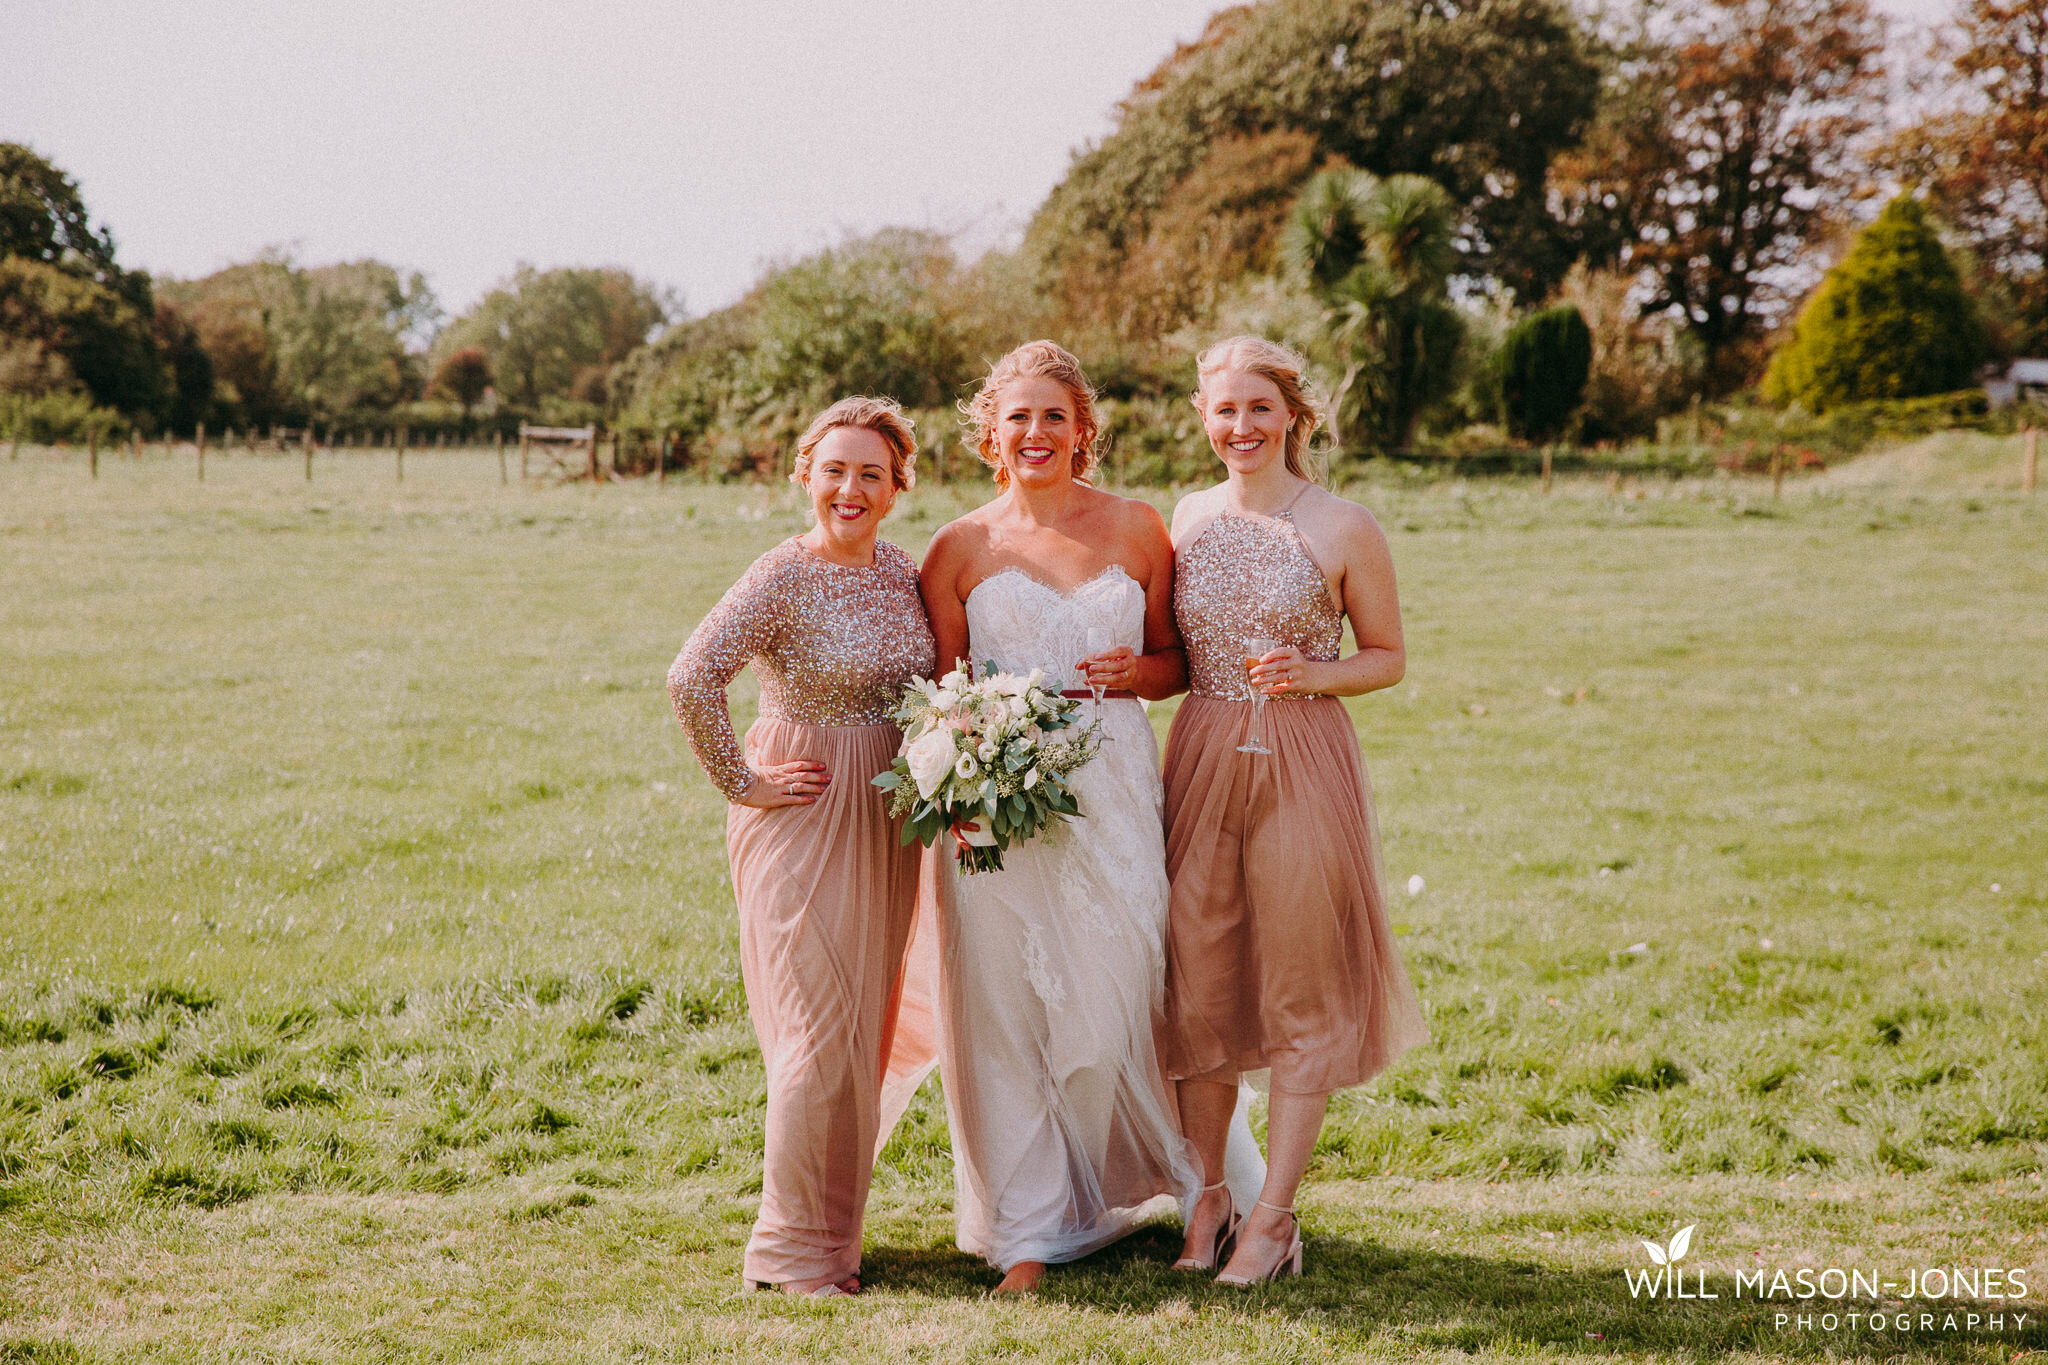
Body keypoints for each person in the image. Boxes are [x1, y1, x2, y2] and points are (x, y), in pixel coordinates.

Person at [912, 340, 1200, 1293]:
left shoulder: (1137, 528)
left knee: (1109, 998)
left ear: (1085, 430)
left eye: (1054, 416)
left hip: (1112, 787)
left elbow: (1174, 662)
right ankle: (1029, 1234)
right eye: (1018, 417)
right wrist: (957, 776)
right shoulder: (958, 547)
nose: (1037, 433)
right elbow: (939, 693)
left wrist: (1138, 675)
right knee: (1002, 1012)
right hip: (996, 810)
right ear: (990, 433)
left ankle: (1113, 1190)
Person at [1162, 336, 1429, 1284]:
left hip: (1303, 756)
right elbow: (1169, 651)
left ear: (1294, 417)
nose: (1241, 426)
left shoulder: (1344, 523)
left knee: (1298, 980)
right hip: (1197, 753)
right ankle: (1209, 1200)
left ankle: (1274, 1219)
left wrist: (1317, 672)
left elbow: (1389, 654)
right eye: (1224, 409)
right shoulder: (1186, 517)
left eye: (1260, 409)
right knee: (1194, 975)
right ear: (1204, 414)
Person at [666, 396, 935, 1298]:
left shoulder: (905, 573)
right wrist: (741, 779)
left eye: (871, 473)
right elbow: (693, 673)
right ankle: (785, 1256)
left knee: (862, 1029)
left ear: (897, 487)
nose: (850, 488)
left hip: (888, 816)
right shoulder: (781, 576)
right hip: (801, 810)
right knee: (814, 1035)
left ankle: (835, 1241)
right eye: (835, 470)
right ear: (806, 477)